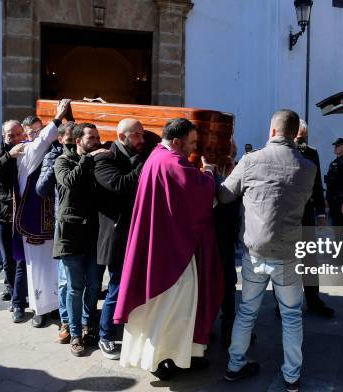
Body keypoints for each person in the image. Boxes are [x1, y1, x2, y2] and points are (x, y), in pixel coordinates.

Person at [113, 118, 224, 380]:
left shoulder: (156, 156)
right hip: (173, 255)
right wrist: (208, 172)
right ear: (177, 141)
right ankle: (163, 360)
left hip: (163, 246)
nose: (194, 148)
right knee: (177, 309)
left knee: (168, 309)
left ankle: (172, 357)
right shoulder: (171, 162)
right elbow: (199, 194)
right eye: (192, 142)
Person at [217, 109, 316, 391]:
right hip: (287, 252)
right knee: (292, 314)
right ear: (295, 133)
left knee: (247, 311)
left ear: (272, 131)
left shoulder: (250, 160)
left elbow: (224, 195)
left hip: (254, 251)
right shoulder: (308, 167)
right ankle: (292, 376)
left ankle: (235, 365)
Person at [10, 100, 71, 326]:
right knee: (35, 266)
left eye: (39, 129)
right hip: (33, 219)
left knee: (55, 265)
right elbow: (42, 141)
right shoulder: (25, 151)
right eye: (32, 132)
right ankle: (39, 309)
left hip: (53, 217)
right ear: (25, 134)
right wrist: (57, 116)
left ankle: (55, 306)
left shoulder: (53, 150)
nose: (37, 135)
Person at [94, 118, 147, 360]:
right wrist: (143, 162)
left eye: (142, 135)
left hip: (138, 232)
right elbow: (121, 185)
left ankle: (129, 330)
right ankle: (105, 335)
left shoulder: (138, 153)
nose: (142, 140)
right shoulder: (104, 158)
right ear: (123, 136)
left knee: (134, 286)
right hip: (117, 235)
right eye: (137, 135)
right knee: (116, 285)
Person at [54, 122, 106, 357]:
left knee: (94, 285)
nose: (96, 141)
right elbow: (70, 182)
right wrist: (89, 159)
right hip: (71, 235)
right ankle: (75, 333)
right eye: (91, 138)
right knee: (75, 288)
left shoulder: (100, 161)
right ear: (78, 141)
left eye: (97, 137)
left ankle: (88, 325)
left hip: (95, 233)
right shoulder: (63, 161)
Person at [35, 122, 75, 344]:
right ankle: (66, 321)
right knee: (64, 279)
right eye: (69, 139)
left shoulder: (87, 152)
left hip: (90, 222)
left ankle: (83, 322)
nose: (73, 142)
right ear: (60, 139)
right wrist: (57, 165)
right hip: (65, 221)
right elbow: (41, 189)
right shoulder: (54, 156)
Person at [292, 120, 335, 319]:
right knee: (287, 260)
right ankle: (283, 303)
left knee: (309, 258)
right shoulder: (283, 150)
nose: (302, 140)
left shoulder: (311, 152)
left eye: (304, 136)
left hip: (307, 213)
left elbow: (317, 183)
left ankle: (313, 299)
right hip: (287, 214)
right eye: (299, 136)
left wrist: (321, 213)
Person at [0, 120, 24, 304]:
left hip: (24, 213)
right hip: (3, 213)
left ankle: (20, 291)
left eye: (19, 134)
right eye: (11, 135)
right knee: (8, 258)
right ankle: (12, 292)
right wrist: (9, 155)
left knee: (22, 259)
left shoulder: (29, 150)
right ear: (4, 135)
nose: (16, 138)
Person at [214, 140, 241, 344]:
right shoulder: (208, 171)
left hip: (227, 236)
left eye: (232, 152)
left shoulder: (239, 169)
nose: (230, 156)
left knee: (229, 283)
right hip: (210, 234)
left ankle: (228, 326)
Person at [324, 137, 343, 226]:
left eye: (337, 146)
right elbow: (330, 183)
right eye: (335, 145)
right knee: (336, 228)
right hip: (333, 201)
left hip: (342, 201)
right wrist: (327, 199)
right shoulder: (333, 163)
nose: (335, 147)